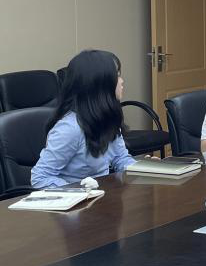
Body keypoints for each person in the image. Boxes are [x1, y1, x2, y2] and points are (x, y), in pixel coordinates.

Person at [31, 50, 135, 188]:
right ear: (100, 84)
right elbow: (40, 178)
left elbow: (120, 158)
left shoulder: (107, 119)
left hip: (102, 196)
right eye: (117, 76)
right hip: (76, 199)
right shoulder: (70, 129)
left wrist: (147, 170)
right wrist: (81, 190)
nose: (122, 81)